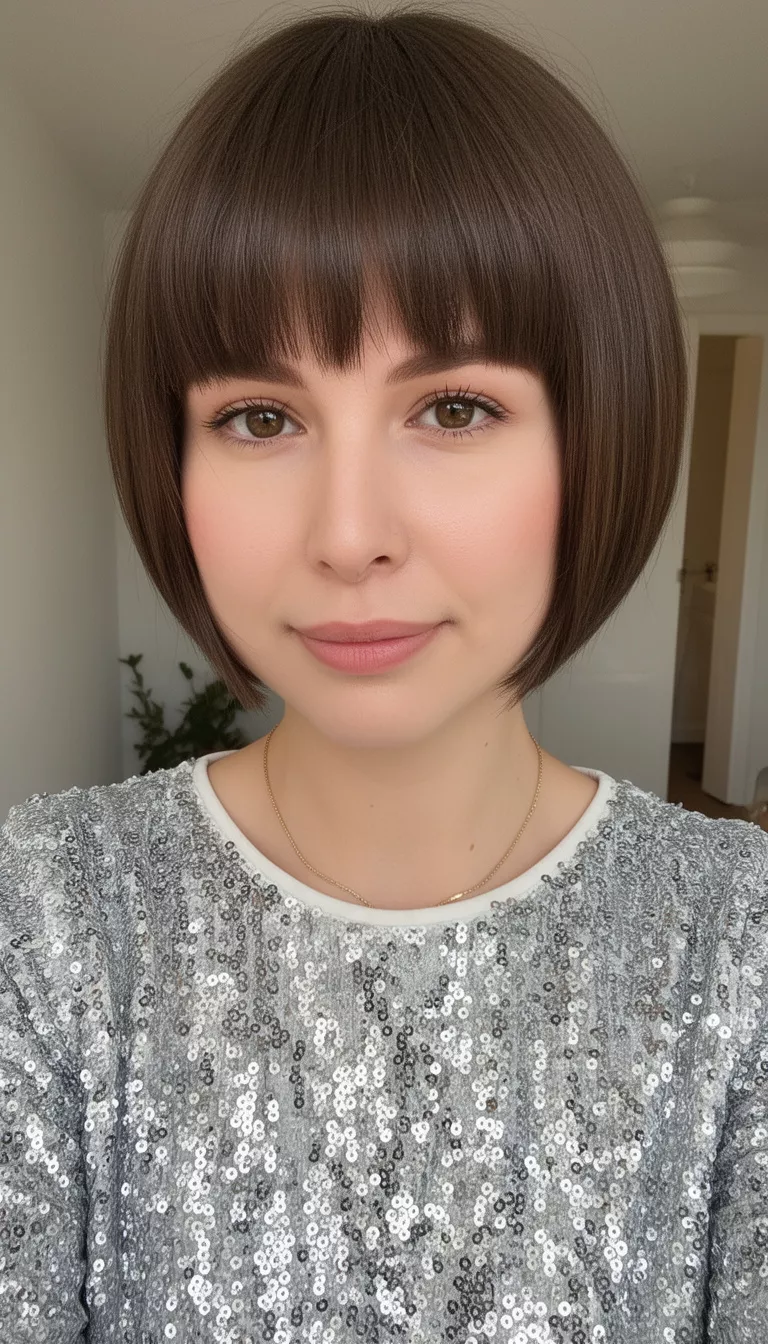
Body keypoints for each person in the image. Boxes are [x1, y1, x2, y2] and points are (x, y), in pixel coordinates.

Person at [1, 6, 766, 1340]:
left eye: (453, 407)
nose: (350, 533)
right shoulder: (47, 920)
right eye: (259, 417)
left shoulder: (743, 943)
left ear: (600, 436)